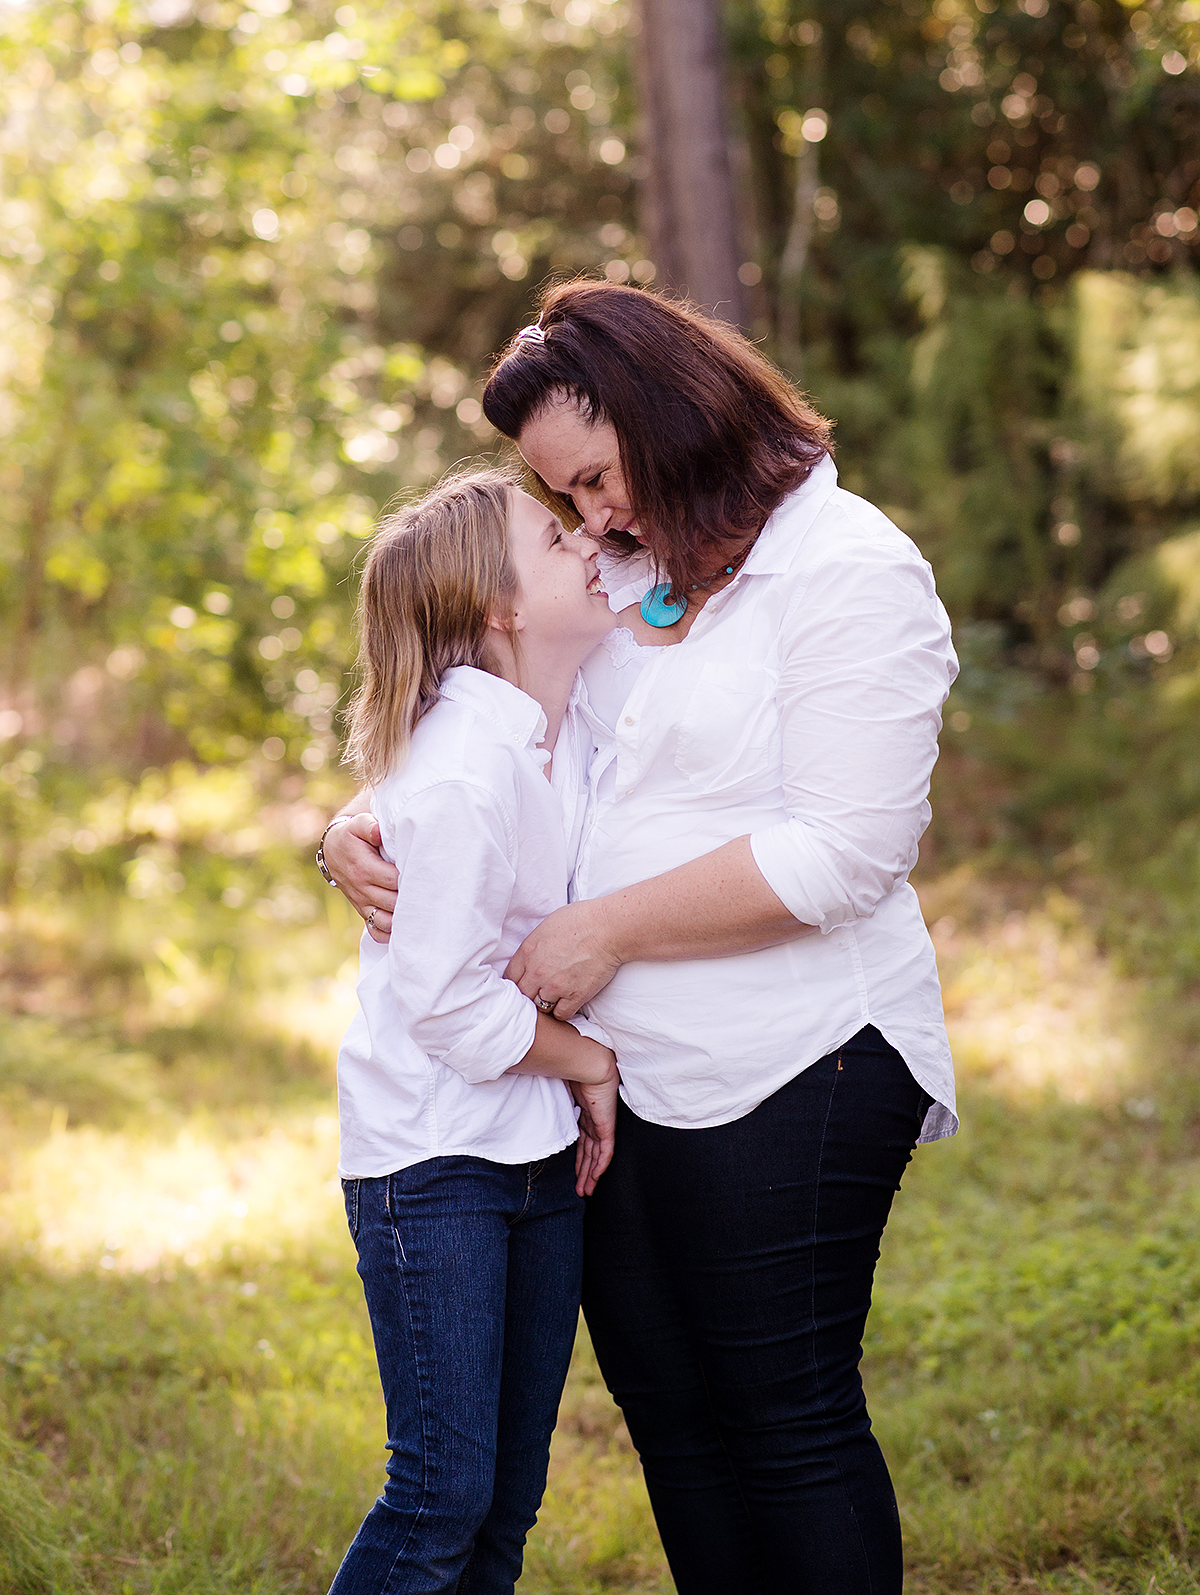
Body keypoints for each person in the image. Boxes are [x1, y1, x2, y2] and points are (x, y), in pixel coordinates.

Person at [323, 283, 959, 1595]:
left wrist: (596, 932)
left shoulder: (847, 572)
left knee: (784, 1419)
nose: (598, 519)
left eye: (602, 477)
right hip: (612, 1081)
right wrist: (358, 818)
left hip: (798, 1058)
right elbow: (490, 710)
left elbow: (845, 851)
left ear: (673, 414)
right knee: (674, 1423)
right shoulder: (628, 576)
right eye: (568, 501)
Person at [326, 465, 620, 1595]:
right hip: (438, 1161)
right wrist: (588, 1061)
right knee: (442, 1492)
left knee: (506, 1497)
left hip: (532, 1156)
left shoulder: (538, 734)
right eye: (554, 540)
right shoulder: (464, 767)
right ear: (499, 609)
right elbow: (444, 1001)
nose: (590, 544)